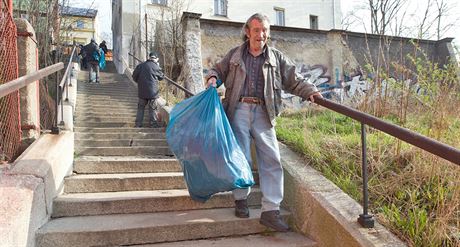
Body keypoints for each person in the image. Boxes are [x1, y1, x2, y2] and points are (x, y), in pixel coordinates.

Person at [205, 13, 322, 232]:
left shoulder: (276, 58)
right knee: (240, 157)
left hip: (264, 111)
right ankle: (241, 199)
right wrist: (212, 79)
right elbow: (217, 70)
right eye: (257, 30)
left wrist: (311, 91)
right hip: (238, 108)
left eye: (265, 30)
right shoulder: (235, 55)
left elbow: (295, 79)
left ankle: (270, 211)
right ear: (248, 32)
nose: (261, 35)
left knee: (272, 159)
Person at [132, 52, 164, 128]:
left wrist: (139, 82)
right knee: (153, 108)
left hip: (142, 91)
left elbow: (134, 76)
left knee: (140, 108)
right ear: (156, 59)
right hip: (153, 92)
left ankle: (138, 124)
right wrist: (158, 67)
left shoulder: (140, 66)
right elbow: (161, 77)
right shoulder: (156, 67)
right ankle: (153, 124)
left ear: (149, 57)